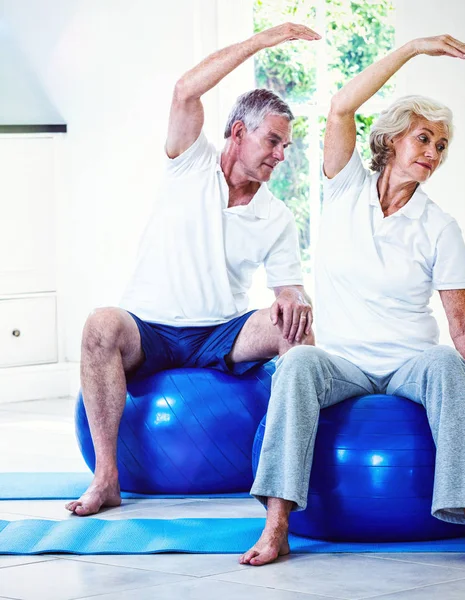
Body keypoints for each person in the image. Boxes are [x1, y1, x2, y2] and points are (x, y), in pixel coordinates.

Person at [242, 34, 465, 569]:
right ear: (391, 141)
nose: (432, 154)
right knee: (295, 363)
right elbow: (342, 106)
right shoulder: (344, 188)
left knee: (446, 363)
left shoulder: (440, 226)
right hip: (342, 362)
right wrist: (412, 49)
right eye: (423, 139)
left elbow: (463, 324)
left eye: (440, 146)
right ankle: (276, 527)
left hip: (411, 362)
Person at [66, 23, 320, 517]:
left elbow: (290, 288)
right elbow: (186, 90)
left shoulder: (277, 215)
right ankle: (106, 478)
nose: (281, 155)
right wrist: (259, 42)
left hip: (221, 332)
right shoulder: (189, 162)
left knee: (298, 331)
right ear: (238, 131)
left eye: (286, 146)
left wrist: (296, 302)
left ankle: (290, 478)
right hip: (151, 328)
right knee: (100, 325)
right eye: (273, 141)